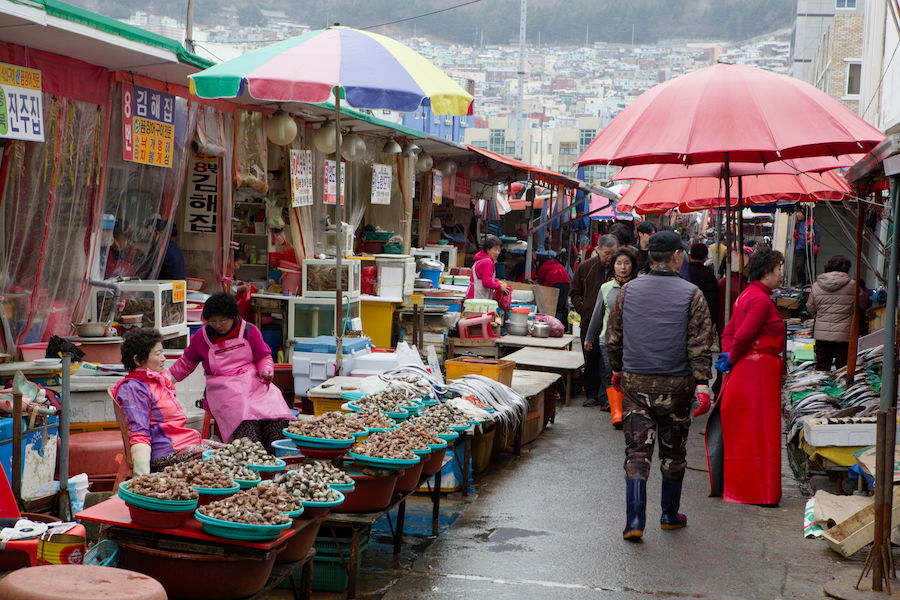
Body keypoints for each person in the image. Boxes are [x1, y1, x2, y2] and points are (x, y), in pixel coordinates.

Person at [606, 231, 715, 541]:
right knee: (673, 452)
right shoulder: (692, 294)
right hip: (677, 386)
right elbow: (700, 344)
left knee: (637, 453)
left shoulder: (628, 291)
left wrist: (617, 369)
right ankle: (668, 514)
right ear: (677, 256)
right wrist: (703, 383)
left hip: (635, 383)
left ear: (649, 256)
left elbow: (612, 337)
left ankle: (635, 521)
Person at [168, 293, 295, 452]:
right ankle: (253, 455)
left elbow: (263, 356)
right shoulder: (202, 337)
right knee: (245, 417)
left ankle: (277, 454)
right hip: (223, 387)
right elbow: (186, 363)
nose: (218, 325)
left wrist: (266, 370)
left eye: (222, 320)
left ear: (233, 317)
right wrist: (167, 380)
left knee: (277, 414)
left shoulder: (249, 330)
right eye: (213, 321)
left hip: (254, 382)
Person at [707, 249, 785, 505]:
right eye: (779, 269)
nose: (781, 274)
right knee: (758, 433)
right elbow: (742, 335)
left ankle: (745, 488)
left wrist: (729, 356)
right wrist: (731, 356)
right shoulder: (760, 300)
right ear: (767, 271)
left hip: (747, 370)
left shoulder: (747, 295)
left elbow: (729, 332)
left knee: (744, 431)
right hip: (757, 373)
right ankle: (757, 490)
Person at [112, 328, 221, 474]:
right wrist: (142, 477)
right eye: (158, 353)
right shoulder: (133, 388)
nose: (164, 358)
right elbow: (139, 434)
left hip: (183, 443)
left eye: (162, 352)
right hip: (165, 453)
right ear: (138, 360)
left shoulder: (157, 380)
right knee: (219, 459)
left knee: (232, 451)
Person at [583, 246, 639, 425]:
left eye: (627, 263)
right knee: (610, 374)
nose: (623, 267)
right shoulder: (606, 287)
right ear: (613, 266)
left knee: (629, 375)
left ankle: (628, 409)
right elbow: (597, 314)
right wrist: (589, 338)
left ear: (633, 265)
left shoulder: (639, 287)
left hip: (633, 340)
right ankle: (616, 412)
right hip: (607, 340)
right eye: (619, 263)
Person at [571, 234, 619, 407]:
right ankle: (591, 394)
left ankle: (605, 396)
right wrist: (583, 310)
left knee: (607, 362)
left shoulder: (619, 269)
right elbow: (574, 292)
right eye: (606, 253)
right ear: (598, 250)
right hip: (589, 322)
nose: (610, 257)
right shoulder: (585, 267)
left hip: (611, 325)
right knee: (590, 358)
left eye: (613, 253)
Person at [806, 254, 869, 371]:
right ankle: (843, 389)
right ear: (847, 269)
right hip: (844, 335)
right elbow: (863, 304)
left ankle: (822, 389)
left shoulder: (816, 286)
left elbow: (811, 308)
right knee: (842, 369)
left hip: (822, 335)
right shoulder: (853, 286)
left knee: (822, 368)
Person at [466, 236, 512, 313]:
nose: (497, 252)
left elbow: (484, 277)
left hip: (473, 295)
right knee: (477, 320)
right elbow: (486, 282)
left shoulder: (481, 259)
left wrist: (498, 281)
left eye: (499, 250)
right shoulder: (487, 262)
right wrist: (499, 286)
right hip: (477, 297)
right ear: (488, 249)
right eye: (495, 250)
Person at [716, 248, 750, 334]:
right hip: (736, 329)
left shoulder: (722, 282)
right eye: (748, 267)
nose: (749, 270)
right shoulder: (744, 288)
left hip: (721, 327)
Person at [687, 243, 720, 328]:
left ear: (690, 256)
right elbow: (712, 299)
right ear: (705, 257)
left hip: (684, 316)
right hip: (702, 318)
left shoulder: (683, 271)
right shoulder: (708, 275)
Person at [535, 249, 571, 322]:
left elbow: (540, 283)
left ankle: (554, 323)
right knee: (561, 305)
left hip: (554, 284)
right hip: (566, 283)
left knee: (554, 307)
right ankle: (561, 324)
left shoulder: (544, 267)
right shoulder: (558, 264)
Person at [793, 207, 819, 286]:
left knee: (811, 266)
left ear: (804, 213)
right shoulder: (797, 223)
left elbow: (817, 234)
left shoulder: (812, 222)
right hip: (800, 248)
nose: (797, 214)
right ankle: (802, 282)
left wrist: (817, 245)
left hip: (810, 247)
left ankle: (811, 282)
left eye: (798, 212)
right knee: (799, 266)